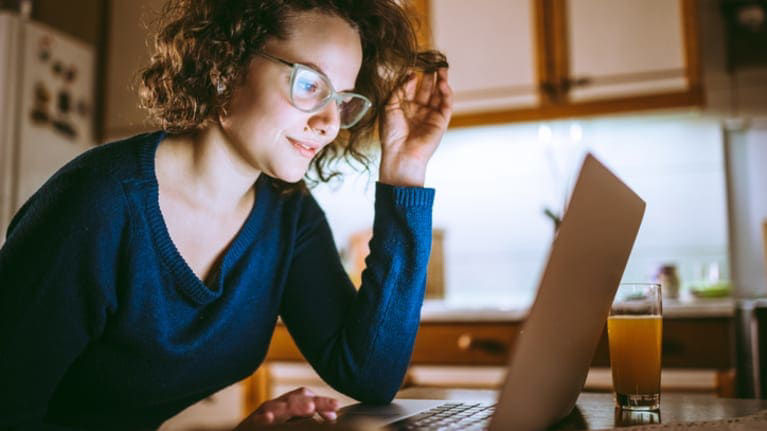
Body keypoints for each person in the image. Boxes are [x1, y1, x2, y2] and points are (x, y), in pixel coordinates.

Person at [0, 0, 452, 429]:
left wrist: (404, 172)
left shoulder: (287, 215)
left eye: (344, 99)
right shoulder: (98, 205)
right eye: (311, 85)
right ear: (226, 66)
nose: (331, 123)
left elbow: (370, 376)